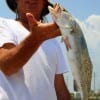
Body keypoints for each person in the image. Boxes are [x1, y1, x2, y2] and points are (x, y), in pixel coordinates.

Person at [0, 0, 71, 100]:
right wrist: (37, 38)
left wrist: (40, 36)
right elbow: (7, 67)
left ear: (44, 3)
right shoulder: (4, 25)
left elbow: (60, 89)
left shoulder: (53, 42)